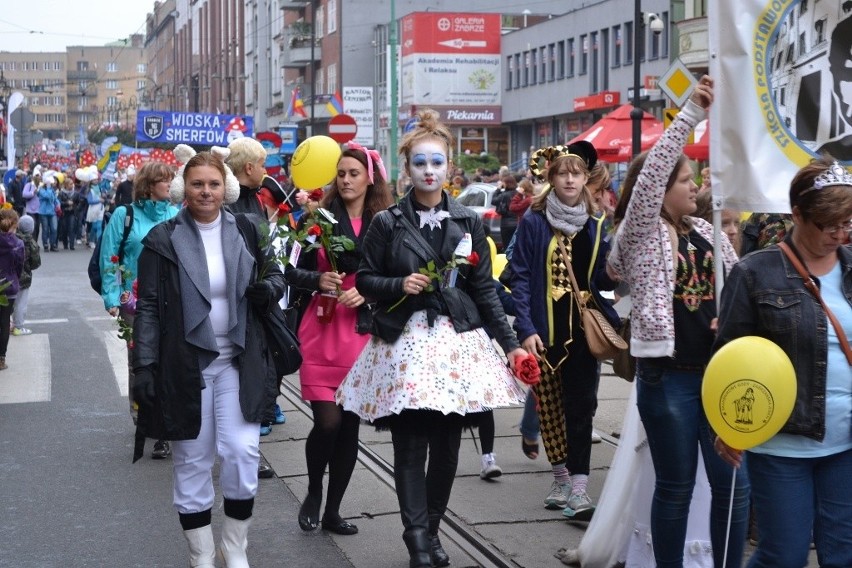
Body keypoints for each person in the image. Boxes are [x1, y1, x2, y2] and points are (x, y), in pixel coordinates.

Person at [335, 109, 527, 568]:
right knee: (411, 441)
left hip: (456, 344)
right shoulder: (387, 222)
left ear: (449, 168)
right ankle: (417, 539)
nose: (428, 171)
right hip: (405, 344)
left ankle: (434, 530)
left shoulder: (469, 221)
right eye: (420, 163)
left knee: (446, 444)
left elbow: (484, 289)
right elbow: (363, 279)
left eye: (437, 163)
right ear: (407, 168)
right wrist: (398, 285)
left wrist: (511, 343)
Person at [606, 76, 749, 568]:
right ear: (662, 191)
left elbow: (739, 287)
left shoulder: (709, 231)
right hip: (669, 379)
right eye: (687, 181)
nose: (696, 187)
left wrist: (731, 322)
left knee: (734, 485)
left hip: (719, 376)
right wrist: (690, 114)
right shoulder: (640, 231)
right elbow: (648, 180)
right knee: (676, 487)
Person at [132, 148, 286, 567]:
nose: (206, 192)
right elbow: (147, 305)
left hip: (238, 359)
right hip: (187, 366)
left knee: (242, 452)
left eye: (213, 184)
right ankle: (201, 555)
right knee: (193, 460)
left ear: (226, 188)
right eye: (197, 184)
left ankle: (234, 548)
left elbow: (276, 273)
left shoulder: (249, 230)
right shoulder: (162, 239)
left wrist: (269, 288)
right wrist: (143, 365)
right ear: (185, 188)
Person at [714, 157, 852, 568]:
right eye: (831, 225)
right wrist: (729, 426)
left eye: (848, 223)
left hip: (846, 441)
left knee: (844, 553)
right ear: (796, 215)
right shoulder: (755, 273)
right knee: (783, 555)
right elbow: (729, 356)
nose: (841, 234)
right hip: (783, 441)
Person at [287, 143, 394, 536]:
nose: (346, 180)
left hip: (361, 333)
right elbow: (286, 270)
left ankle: (333, 509)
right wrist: (317, 279)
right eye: (341, 173)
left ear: (370, 177)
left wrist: (369, 291)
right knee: (327, 422)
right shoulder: (316, 218)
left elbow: (397, 276)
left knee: (348, 426)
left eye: (353, 173)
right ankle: (314, 491)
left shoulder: (386, 220)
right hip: (322, 327)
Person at [510, 140, 618, 521]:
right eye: (563, 172)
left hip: (583, 332)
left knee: (582, 407)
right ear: (551, 178)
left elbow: (603, 276)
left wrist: (615, 269)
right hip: (544, 331)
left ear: (586, 178)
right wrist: (525, 329)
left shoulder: (596, 222)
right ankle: (559, 478)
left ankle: (579, 489)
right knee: (550, 409)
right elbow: (520, 278)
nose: (570, 179)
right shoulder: (534, 222)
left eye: (576, 172)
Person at [100, 161, 179, 459]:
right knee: (141, 359)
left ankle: (164, 429)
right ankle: (143, 414)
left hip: (171, 299)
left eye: (171, 180)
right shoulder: (125, 215)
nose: (170, 185)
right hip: (134, 300)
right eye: (164, 181)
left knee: (169, 359)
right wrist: (111, 295)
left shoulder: (176, 214)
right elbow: (110, 256)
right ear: (149, 184)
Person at [0, 207, 25, 370]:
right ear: (15, 224)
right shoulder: (18, 244)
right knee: (3, 322)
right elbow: (19, 267)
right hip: (8, 286)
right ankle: (1, 358)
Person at [11, 214, 40, 336]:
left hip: (10, 275)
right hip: (24, 278)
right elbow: (36, 263)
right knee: (21, 303)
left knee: (9, 302)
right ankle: (18, 326)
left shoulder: (12, 238)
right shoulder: (32, 244)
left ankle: (7, 323)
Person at [37, 175, 59, 252]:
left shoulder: (53, 190)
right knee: (45, 229)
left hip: (52, 212)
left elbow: (55, 199)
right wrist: (49, 187)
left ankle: (53, 244)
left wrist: (58, 205)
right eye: (52, 183)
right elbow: (48, 196)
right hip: (43, 212)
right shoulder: (41, 190)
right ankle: (45, 244)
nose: (54, 184)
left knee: (54, 229)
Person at [22, 172, 41, 244]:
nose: (39, 178)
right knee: (33, 226)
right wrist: (33, 192)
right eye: (37, 176)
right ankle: (32, 243)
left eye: (39, 176)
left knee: (37, 228)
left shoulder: (41, 186)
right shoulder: (29, 185)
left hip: (39, 210)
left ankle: (35, 242)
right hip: (30, 209)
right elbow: (24, 194)